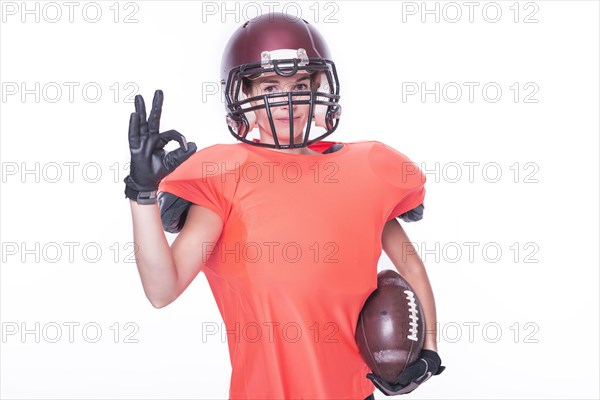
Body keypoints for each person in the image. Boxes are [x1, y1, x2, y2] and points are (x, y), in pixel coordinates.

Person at [124, 12, 444, 400]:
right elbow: (162, 289)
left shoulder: (366, 170)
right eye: (271, 86)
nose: (287, 100)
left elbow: (408, 263)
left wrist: (428, 349)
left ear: (319, 89)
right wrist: (141, 194)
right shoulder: (225, 176)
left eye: (301, 84)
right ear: (243, 95)